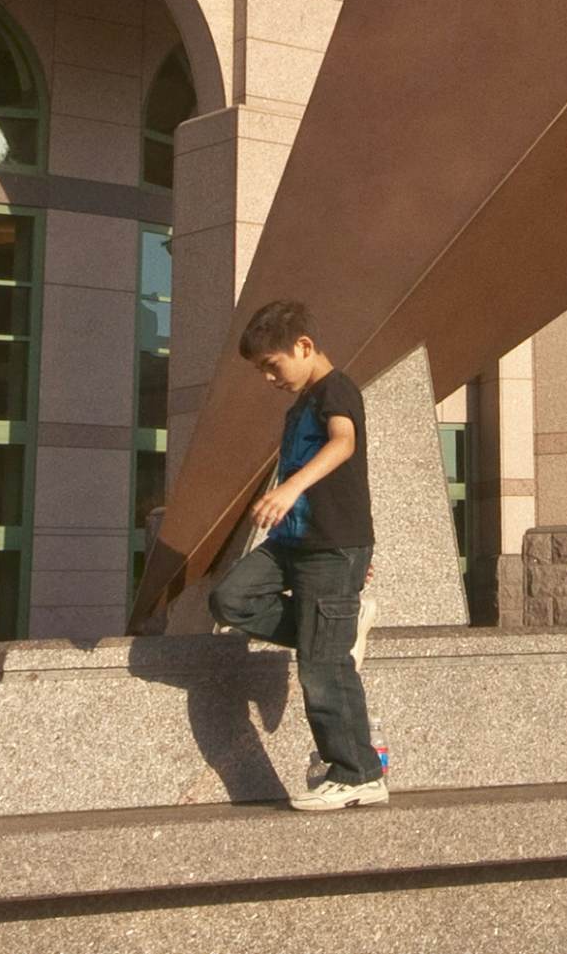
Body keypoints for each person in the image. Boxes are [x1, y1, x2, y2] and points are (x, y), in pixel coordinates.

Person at [208, 299, 388, 809]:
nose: (268, 377)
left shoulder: (337, 389)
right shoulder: (299, 404)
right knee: (230, 600)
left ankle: (357, 774)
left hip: (330, 546)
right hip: (292, 543)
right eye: (260, 370)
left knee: (322, 666)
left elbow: (343, 444)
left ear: (303, 347)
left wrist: (287, 490)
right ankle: (336, 628)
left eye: (272, 365)